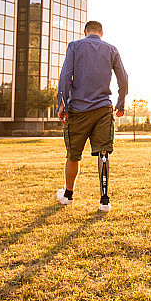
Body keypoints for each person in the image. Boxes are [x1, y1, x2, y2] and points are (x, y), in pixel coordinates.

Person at [56, 20, 128, 211]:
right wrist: (120, 103)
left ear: (85, 32)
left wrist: (62, 102)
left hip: (78, 110)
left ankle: (68, 195)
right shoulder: (111, 49)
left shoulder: (75, 46)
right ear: (101, 33)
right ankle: (104, 201)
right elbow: (123, 78)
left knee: (73, 155)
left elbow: (65, 76)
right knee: (103, 153)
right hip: (103, 110)